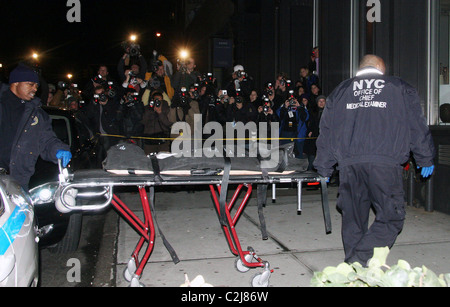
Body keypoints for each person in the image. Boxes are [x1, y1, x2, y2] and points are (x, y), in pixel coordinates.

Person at [314, 55, 435, 265]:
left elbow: (326, 132)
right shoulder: (398, 87)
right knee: (392, 217)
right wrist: (425, 157)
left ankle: (354, 268)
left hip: (350, 166)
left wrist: (323, 167)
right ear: (380, 68)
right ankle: (359, 260)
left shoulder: (340, 91)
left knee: (353, 221)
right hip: (385, 164)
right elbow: (416, 125)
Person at [0, 64, 72, 190]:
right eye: (30, 84)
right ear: (15, 83)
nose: (34, 89)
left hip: (17, 182)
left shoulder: (37, 115)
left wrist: (58, 150)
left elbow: (47, 140)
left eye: (36, 85)